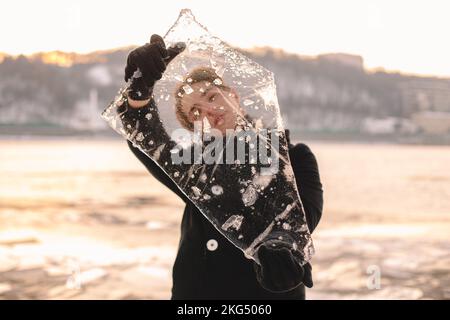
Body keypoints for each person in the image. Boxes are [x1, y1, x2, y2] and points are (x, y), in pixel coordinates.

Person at [118, 34, 323, 299]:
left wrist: (280, 248)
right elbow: (147, 141)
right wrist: (139, 90)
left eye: (212, 97)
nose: (208, 112)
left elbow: (303, 218)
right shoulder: (194, 169)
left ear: (234, 96)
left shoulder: (294, 157)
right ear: (194, 129)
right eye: (195, 112)